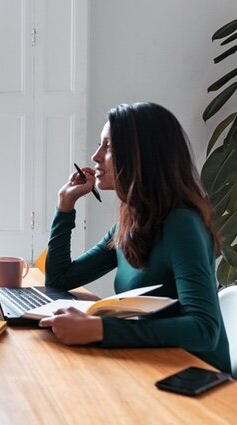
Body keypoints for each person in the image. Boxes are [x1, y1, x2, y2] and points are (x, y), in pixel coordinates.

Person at [38, 102, 231, 373]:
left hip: (195, 376)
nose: (95, 156)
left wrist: (101, 328)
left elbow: (203, 329)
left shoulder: (182, 224)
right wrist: (65, 205)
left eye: (108, 146)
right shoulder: (131, 221)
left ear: (140, 156)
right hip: (152, 361)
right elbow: (59, 279)